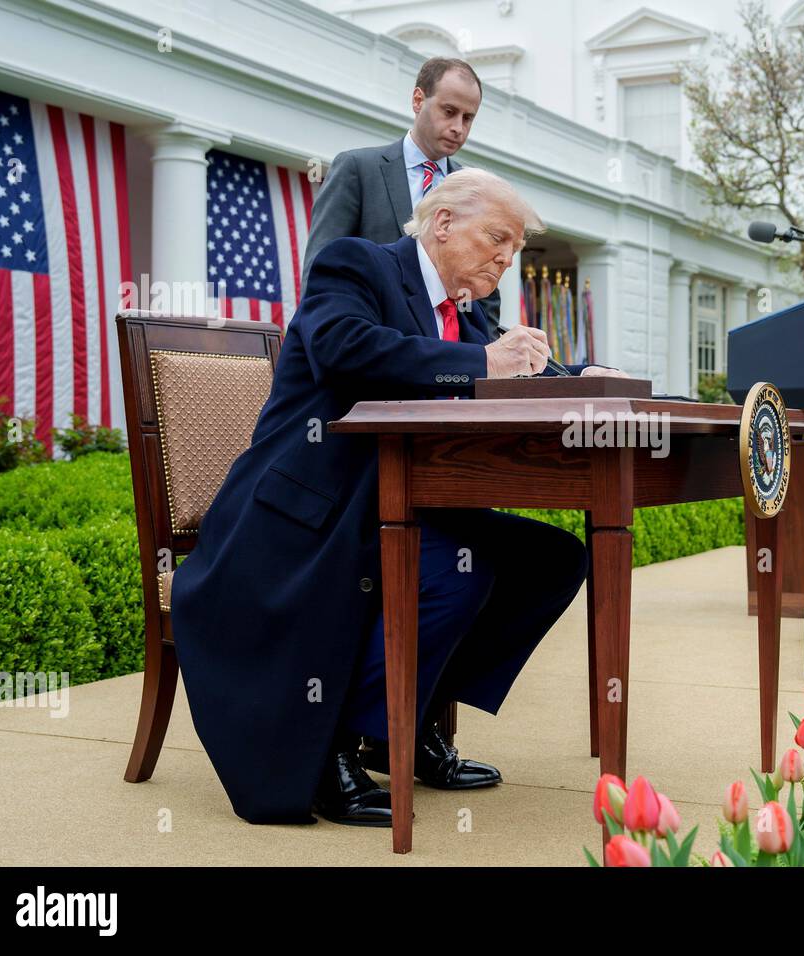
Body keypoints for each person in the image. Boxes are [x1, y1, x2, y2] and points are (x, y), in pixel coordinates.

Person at [169, 169, 628, 828]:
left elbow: (500, 370)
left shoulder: (465, 313)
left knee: (550, 560)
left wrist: (582, 377)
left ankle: (396, 725)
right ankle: (336, 748)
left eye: (513, 248)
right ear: (443, 223)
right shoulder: (356, 264)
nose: (505, 258)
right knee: (456, 571)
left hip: (402, 501)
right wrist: (485, 364)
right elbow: (342, 349)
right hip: (312, 505)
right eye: (496, 238)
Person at [302, 56, 502, 323]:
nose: (458, 128)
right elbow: (321, 271)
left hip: (452, 358)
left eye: (468, 118)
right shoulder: (357, 169)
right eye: (449, 111)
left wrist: (479, 352)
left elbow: (485, 291)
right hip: (372, 350)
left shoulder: (477, 192)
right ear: (418, 100)